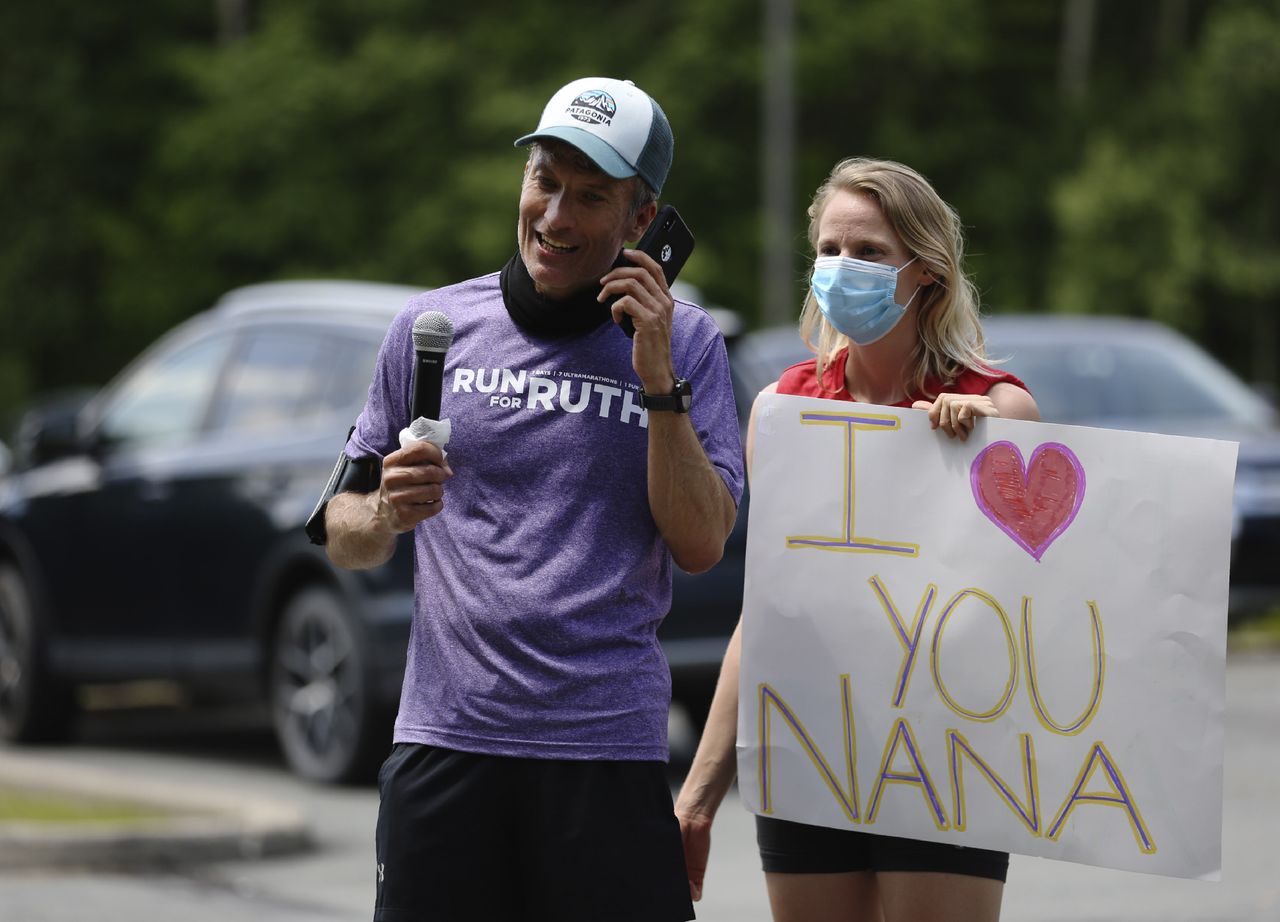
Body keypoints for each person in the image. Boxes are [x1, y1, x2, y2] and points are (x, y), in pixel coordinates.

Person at [318, 77, 743, 922]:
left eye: (591, 197)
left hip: (607, 755)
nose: (555, 217)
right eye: (545, 181)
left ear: (643, 220)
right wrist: (386, 513)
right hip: (446, 745)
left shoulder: (687, 343)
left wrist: (656, 378)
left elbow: (700, 546)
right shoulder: (430, 327)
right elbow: (342, 536)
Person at [673, 157, 1040, 922]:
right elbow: (767, 613)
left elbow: (1028, 604)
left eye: (870, 251)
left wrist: (985, 453)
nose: (844, 268)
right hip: (814, 747)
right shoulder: (785, 409)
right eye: (831, 249)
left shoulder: (996, 407)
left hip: (946, 754)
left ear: (926, 272)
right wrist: (699, 795)